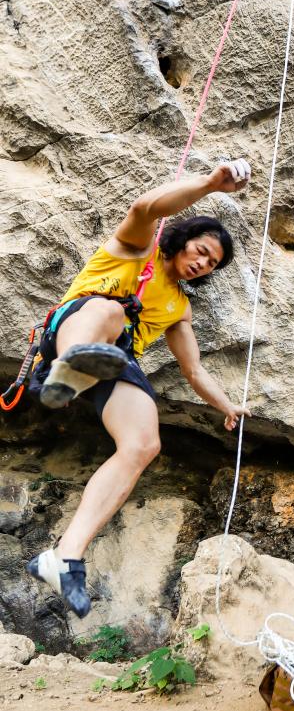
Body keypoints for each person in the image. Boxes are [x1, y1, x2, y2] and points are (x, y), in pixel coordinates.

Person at [26, 159, 253, 618]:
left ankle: (64, 557)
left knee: (144, 443)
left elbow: (194, 371)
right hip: (75, 327)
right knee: (110, 314)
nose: (202, 263)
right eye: (200, 250)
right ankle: (68, 369)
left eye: (211, 262)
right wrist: (210, 184)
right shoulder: (135, 248)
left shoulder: (178, 308)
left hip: (115, 361)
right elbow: (145, 206)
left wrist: (228, 406)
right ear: (181, 240)